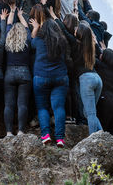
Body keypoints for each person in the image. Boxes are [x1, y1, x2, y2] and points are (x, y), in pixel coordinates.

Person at [50, 8, 103, 135]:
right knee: (89, 112)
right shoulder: (90, 46)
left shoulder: (74, 42)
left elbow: (63, 29)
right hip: (97, 79)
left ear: (78, 33)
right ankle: (102, 135)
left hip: (86, 79)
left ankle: (93, 140)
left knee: (90, 113)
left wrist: (54, 15)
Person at [30, 18, 69, 147]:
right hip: (60, 77)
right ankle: (60, 139)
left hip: (41, 77)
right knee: (58, 108)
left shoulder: (39, 41)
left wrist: (35, 28)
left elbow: (31, 43)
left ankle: (46, 135)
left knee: (42, 107)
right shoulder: (62, 41)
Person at [4, 5, 32, 136]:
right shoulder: (27, 39)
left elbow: (9, 23)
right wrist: (21, 15)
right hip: (25, 73)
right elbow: (26, 27)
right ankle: (21, 131)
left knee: (9, 105)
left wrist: (13, 11)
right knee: (22, 104)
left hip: (9, 73)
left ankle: (9, 132)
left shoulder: (7, 39)